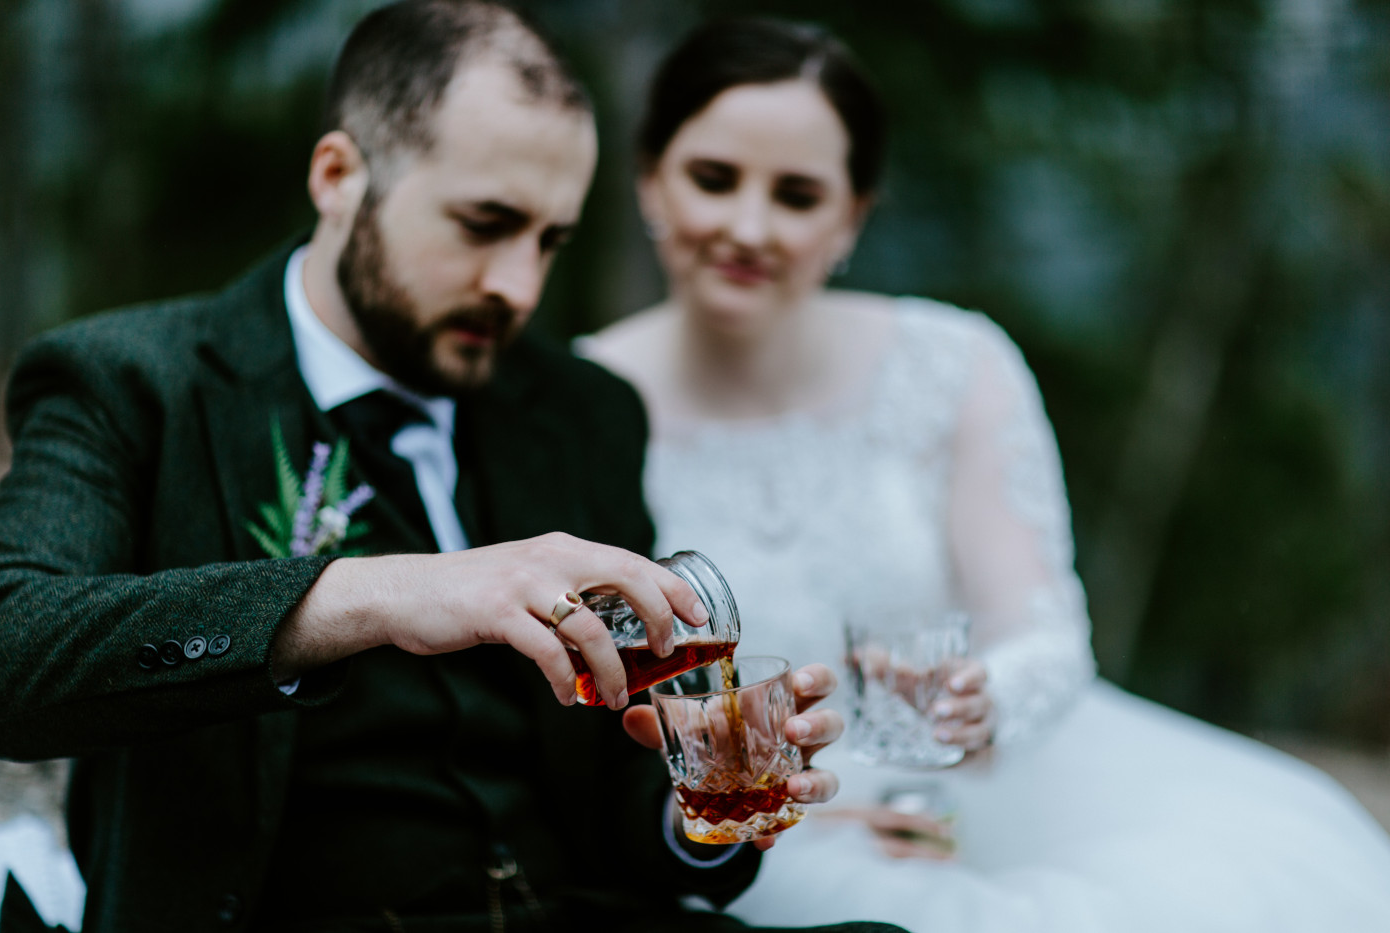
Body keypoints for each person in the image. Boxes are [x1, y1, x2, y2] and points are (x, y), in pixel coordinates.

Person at [0, 4, 904, 932]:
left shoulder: (584, 412)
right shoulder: (134, 381)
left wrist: (702, 808)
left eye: (550, 240)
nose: (519, 286)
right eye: (485, 223)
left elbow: (615, 764)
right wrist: (367, 596)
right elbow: (5, 656)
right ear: (340, 176)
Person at [579, 17, 1390, 933]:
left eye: (798, 194)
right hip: (741, 833)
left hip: (990, 795)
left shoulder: (954, 364)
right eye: (714, 178)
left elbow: (1043, 630)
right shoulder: (574, 398)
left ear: (852, 216)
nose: (749, 226)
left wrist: (979, 700)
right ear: (651, 180)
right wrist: (788, 811)